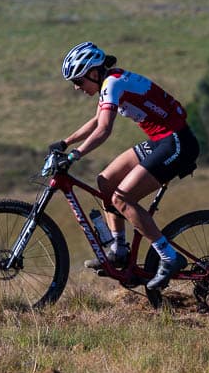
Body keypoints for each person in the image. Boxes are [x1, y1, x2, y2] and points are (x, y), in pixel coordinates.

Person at [53, 41, 200, 290]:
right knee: (106, 182)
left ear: (94, 73)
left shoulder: (114, 83)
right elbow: (97, 120)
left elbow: (104, 129)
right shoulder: (110, 83)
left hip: (177, 142)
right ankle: (119, 251)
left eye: (79, 81)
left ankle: (169, 256)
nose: (77, 88)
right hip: (162, 140)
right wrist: (64, 142)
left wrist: (74, 155)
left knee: (122, 198)